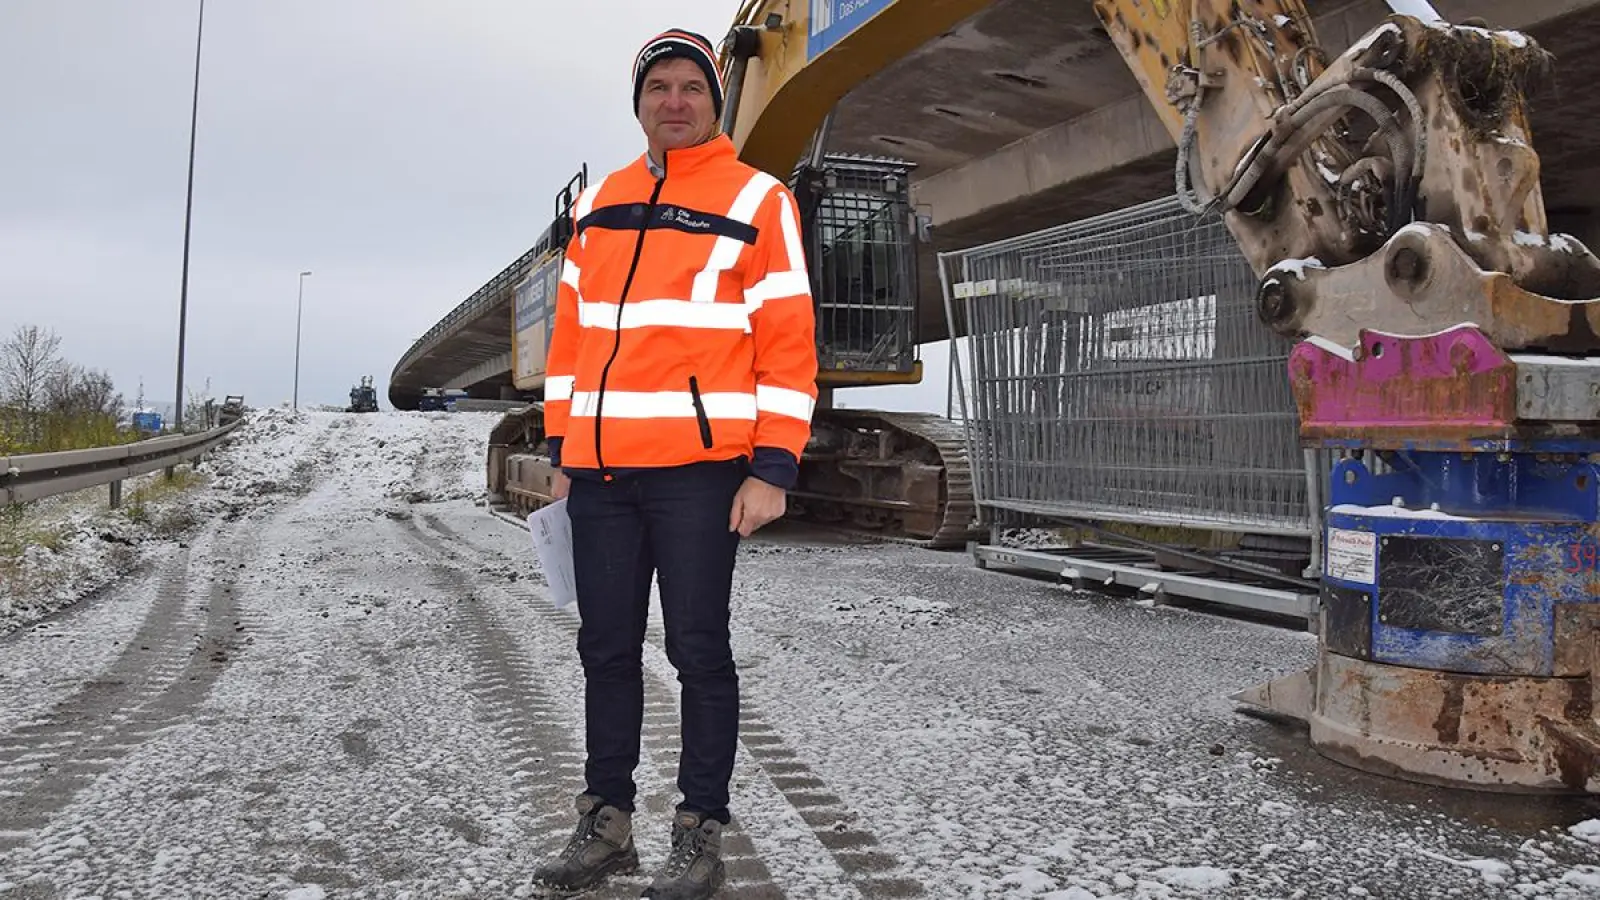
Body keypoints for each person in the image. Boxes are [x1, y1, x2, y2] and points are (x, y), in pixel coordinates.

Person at [530, 26, 819, 900]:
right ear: (640, 103)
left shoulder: (758, 200)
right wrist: (562, 448)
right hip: (602, 476)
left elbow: (787, 341)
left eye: (692, 86)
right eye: (659, 87)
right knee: (605, 649)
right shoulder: (602, 205)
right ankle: (606, 823)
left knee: (699, 652)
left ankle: (699, 831)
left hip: (702, 475)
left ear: (714, 98)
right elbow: (572, 339)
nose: (676, 101)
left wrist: (772, 468)